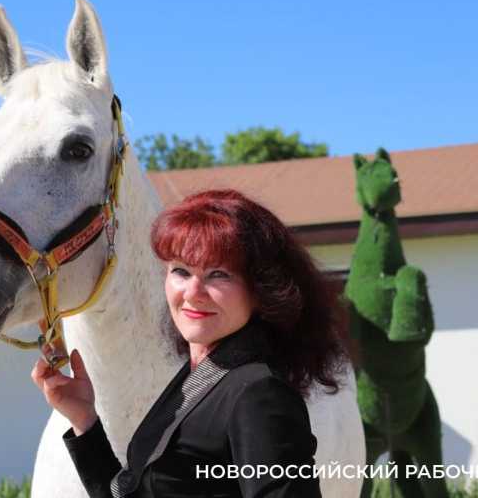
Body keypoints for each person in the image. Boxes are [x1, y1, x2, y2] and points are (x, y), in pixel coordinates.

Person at [31, 189, 347, 497]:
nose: (193, 292)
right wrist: (83, 417)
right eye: (181, 271)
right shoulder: (199, 378)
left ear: (262, 290)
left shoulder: (258, 394)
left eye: (219, 274)